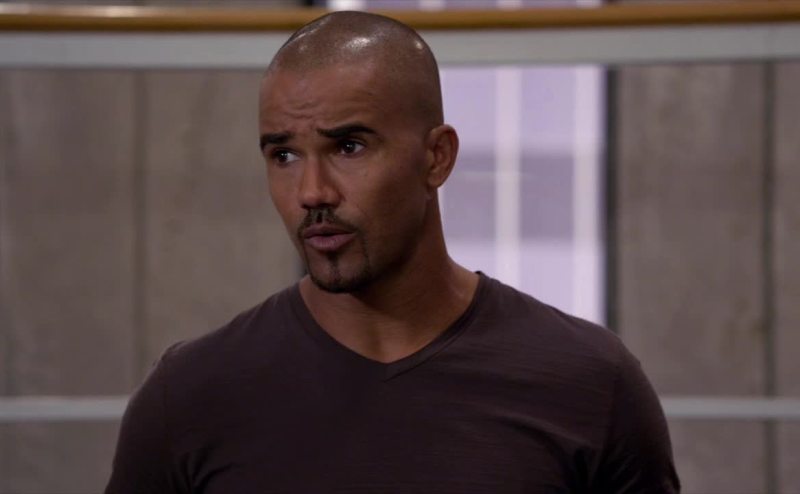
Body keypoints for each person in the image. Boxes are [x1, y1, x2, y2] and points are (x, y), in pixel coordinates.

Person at [105, 11, 680, 493]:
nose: (312, 192)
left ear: (437, 157)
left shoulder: (590, 385)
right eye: (284, 155)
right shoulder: (191, 395)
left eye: (349, 146)